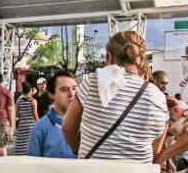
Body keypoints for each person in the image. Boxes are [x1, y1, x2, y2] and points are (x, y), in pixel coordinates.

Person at [62, 31, 169, 162]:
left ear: (109, 56)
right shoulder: (157, 96)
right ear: (140, 58)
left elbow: (68, 128)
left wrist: (78, 150)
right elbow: (155, 149)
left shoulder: (93, 82)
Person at [28, 70, 76, 159]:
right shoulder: (40, 128)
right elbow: (33, 167)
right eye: (64, 90)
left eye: (74, 88)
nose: (71, 94)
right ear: (52, 94)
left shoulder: (86, 125)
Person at [13, 81, 39, 156]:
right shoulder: (33, 101)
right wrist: (39, 123)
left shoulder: (19, 100)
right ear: (30, 90)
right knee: (30, 141)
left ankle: (21, 155)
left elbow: (17, 114)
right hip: (31, 125)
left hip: (22, 125)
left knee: (22, 141)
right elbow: (35, 114)